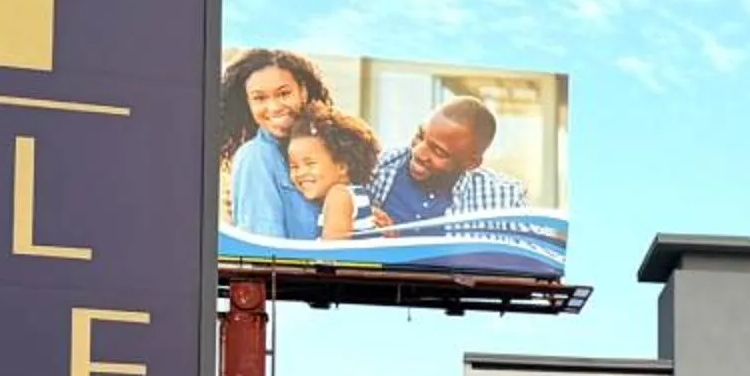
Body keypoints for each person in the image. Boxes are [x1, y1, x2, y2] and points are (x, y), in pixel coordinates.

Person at [366, 94, 530, 226]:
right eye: (420, 136)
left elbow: (538, 260)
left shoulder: (505, 198)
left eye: (439, 151)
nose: (418, 153)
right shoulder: (375, 167)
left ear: (471, 163)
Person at [217, 48, 332, 237]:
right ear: (248, 103)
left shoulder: (324, 148)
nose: (274, 107)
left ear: (302, 91)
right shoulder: (256, 157)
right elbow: (266, 250)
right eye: (260, 98)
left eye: (284, 94)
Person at [282, 107, 381, 242]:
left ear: (342, 166)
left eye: (310, 163)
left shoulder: (338, 196)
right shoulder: (356, 193)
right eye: (294, 166)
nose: (300, 173)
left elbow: (332, 254)